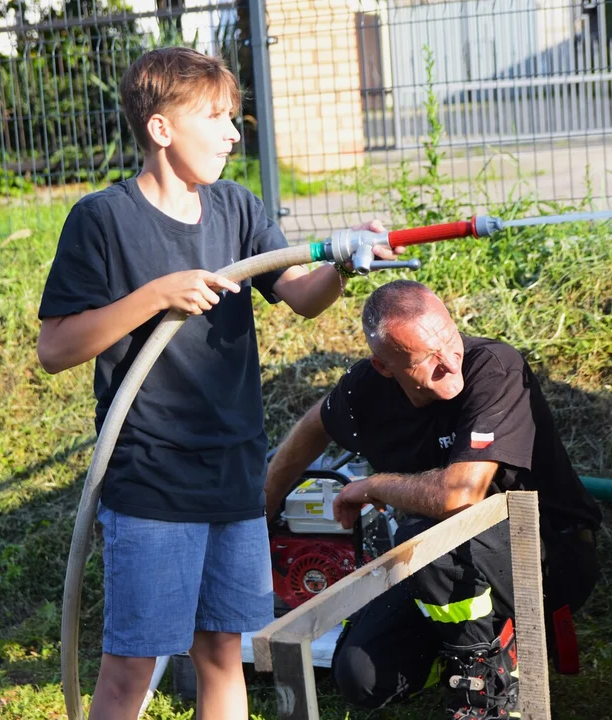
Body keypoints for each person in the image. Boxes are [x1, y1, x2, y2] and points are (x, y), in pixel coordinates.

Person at [36, 47, 397, 720]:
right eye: (218, 117)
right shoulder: (104, 220)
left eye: (235, 118)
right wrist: (154, 298)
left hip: (234, 472)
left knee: (223, 654)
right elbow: (55, 348)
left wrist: (345, 264)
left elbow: (300, 292)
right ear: (162, 129)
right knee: (131, 666)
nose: (235, 134)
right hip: (151, 477)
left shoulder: (236, 208)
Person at [264, 279, 602, 719]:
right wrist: (258, 517)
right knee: (361, 678)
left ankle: (486, 693)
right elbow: (313, 427)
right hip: (437, 561)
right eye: (426, 358)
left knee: (435, 533)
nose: (449, 362)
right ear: (385, 367)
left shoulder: (494, 367)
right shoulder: (366, 387)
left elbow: (458, 497)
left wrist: (371, 486)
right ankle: (459, 654)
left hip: (548, 552)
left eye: (449, 339)